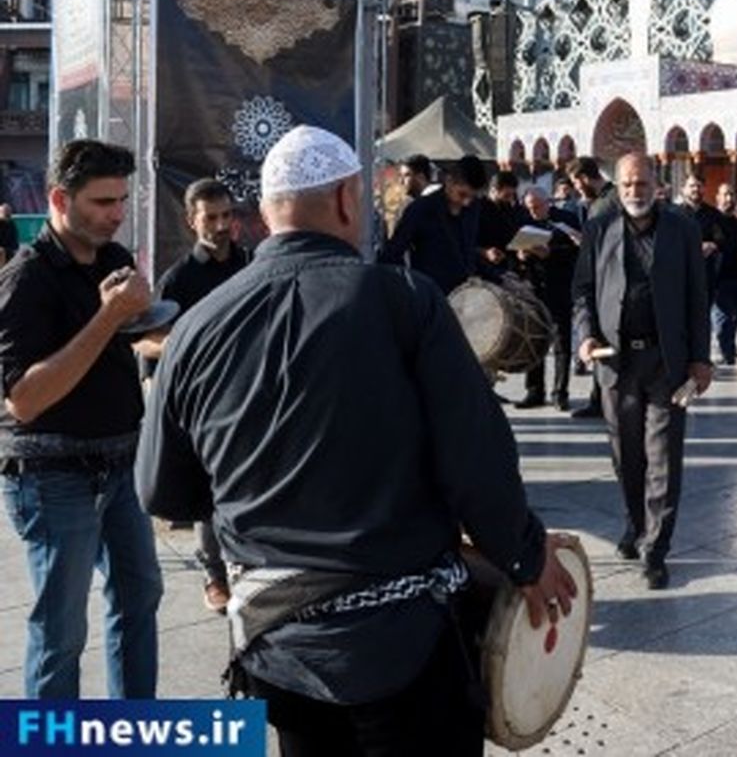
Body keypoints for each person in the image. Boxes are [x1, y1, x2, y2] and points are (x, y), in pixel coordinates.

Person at [136, 126, 575, 754]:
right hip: (405, 644)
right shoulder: (404, 300)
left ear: (264, 212)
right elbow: (476, 459)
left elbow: (163, 490)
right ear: (348, 199)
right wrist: (526, 557)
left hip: (277, 650)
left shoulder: (195, 329)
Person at [0, 139, 163, 698]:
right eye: (101, 202)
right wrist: (108, 315)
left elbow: (134, 340)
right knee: (61, 630)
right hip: (53, 476)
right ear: (59, 199)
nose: (116, 214)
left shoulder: (113, 257)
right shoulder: (26, 278)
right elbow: (24, 399)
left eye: (121, 200)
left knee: (140, 597)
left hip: (120, 464)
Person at [573, 152, 712, 589]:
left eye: (642, 183)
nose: (635, 192)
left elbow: (696, 296)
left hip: (666, 364)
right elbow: (582, 292)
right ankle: (636, 525)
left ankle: (656, 547)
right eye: (628, 185)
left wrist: (701, 359)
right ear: (617, 186)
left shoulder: (682, 230)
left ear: (657, 183)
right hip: (616, 363)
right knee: (625, 456)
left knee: (664, 458)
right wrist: (584, 336)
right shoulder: (599, 228)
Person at [150, 179, 250, 613]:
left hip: (253, 396)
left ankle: (246, 565)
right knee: (208, 492)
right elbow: (158, 352)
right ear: (191, 220)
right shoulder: (178, 280)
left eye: (227, 215)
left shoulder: (253, 265)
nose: (222, 224)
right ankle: (213, 576)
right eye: (211, 217)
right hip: (204, 406)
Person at [378, 155, 487, 295]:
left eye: (472, 197)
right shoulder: (421, 209)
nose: (467, 203)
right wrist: (409, 289)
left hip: (465, 297)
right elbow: (392, 254)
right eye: (462, 195)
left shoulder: (473, 208)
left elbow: (468, 250)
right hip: (430, 297)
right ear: (448, 181)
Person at [515, 185, 581, 411]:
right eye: (529, 208)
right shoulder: (523, 219)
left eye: (537, 207)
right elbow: (515, 247)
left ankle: (559, 392)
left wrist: (551, 252)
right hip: (533, 287)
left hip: (559, 285)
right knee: (533, 339)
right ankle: (534, 390)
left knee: (562, 341)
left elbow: (578, 251)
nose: (533, 212)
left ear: (547, 203)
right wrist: (522, 255)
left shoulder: (566, 218)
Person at [567, 156, 618, 419]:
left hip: (605, 282)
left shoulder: (603, 205)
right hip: (609, 279)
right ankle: (599, 398)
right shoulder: (609, 199)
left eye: (577, 182)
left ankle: (602, 401)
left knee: (600, 338)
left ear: (586, 178)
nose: (576, 188)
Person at [711, 182, 737, 365]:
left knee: (735, 316)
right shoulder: (712, 222)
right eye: (725, 195)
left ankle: (729, 346)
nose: (729, 199)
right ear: (718, 198)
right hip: (720, 279)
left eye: (731, 195)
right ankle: (726, 351)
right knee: (724, 317)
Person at [678, 172, 724, 305]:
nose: (695, 189)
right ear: (683, 189)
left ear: (704, 188)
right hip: (680, 276)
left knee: (702, 320)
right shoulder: (673, 214)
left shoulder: (713, 214)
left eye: (699, 186)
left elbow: (721, 239)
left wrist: (712, 245)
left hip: (705, 278)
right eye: (691, 186)